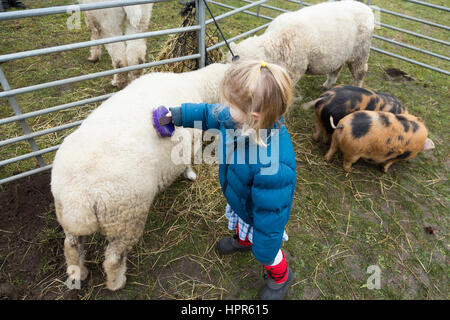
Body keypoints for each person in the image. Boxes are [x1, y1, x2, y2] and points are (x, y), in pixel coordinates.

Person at [161, 60, 297, 300]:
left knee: (268, 250)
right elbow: (208, 114)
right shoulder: (237, 119)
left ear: (252, 115)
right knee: (241, 222)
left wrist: (265, 250)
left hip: (260, 219)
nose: (223, 106)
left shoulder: (272, 167)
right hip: (240, 199)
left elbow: (271, 216)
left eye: (229, 103)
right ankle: (244, 241)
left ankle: (280, 276)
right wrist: (178, 114)